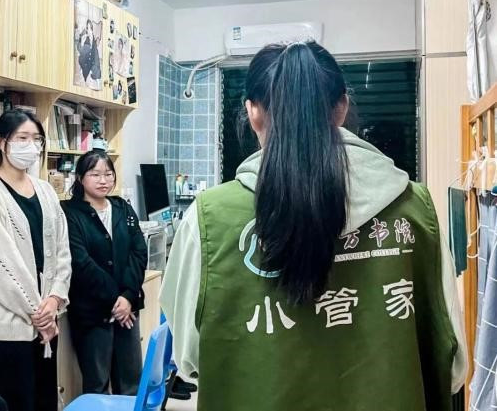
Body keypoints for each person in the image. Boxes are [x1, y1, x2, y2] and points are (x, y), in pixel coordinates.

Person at [159, 42, 468, 411]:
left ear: (253, 112)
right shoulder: (416, 210)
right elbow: (452, 365)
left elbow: (189, 359)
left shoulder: (208, 218)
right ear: (342, 107)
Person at [0, 109, 72, 411]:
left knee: (45, 403)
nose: (31, 146)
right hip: (3, 332)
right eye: (22, 138)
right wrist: (38, 312)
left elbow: (62, 252)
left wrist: (55, 298)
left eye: (36, 139)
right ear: (0, 141)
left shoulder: (46, 191)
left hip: (45, 324)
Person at [61, 151, 148, 395]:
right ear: (80, 178)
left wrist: (127, 297)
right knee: (97, 384)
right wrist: (115, 300)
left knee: (130, 382)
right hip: (92, 311)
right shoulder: (69, 212)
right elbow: (81, 262)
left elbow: (139, 252)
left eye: (108, 174)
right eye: (95, 174)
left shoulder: (122, 208)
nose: (103, 180)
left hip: (127, 308)